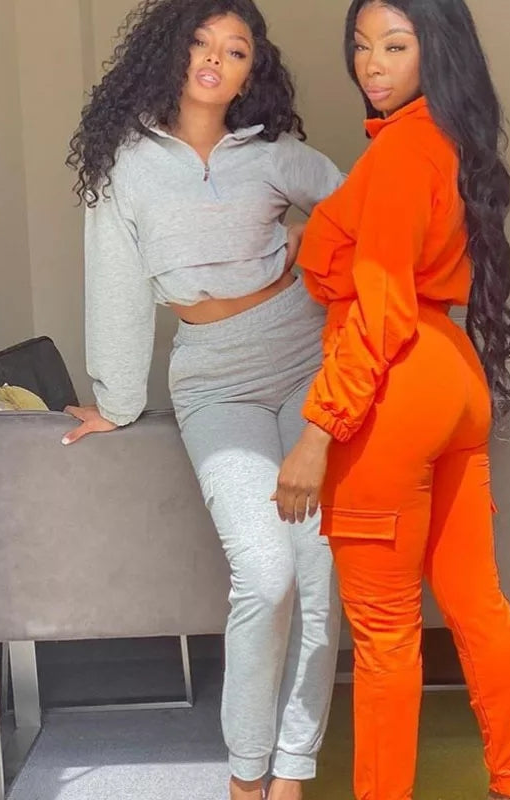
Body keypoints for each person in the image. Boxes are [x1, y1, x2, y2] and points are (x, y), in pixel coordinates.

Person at [63, 2, 343, 798]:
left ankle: (291, 772)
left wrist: (312, 244)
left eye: (236, 50)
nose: (216, 59)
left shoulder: (275, 154)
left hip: (303, 353)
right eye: (201, 42)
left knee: (319, 567)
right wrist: (118, 400)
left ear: (252, 73)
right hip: (214, 376)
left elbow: (364, 210)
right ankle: (245, 776)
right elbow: (116, 286)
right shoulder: (124, 164)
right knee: (265, 571)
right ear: (171, 52)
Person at [272, 1, 510, 798]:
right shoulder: (447, 143)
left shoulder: (396, 155)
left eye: (394, 46)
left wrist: (317, 433)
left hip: (396, 390)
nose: (371, 64)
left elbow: (379, 308)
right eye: (361, 46)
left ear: (435, 52)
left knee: (384, 638)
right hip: (451, 374)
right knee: (477, 604)